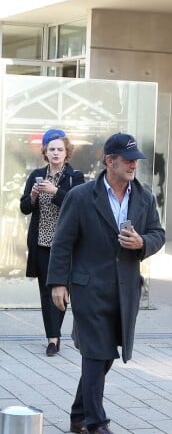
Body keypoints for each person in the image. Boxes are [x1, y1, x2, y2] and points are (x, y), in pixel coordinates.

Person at [47, 133, 165, 434]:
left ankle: (77, 414)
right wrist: (58, 283)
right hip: (88, 287)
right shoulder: (81, 196)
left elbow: (158, 234)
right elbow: (62, 243)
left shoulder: (145, 197)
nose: (133, 164)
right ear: (109, 161)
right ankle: (96, 422)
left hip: (125, 289)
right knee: (96, 352)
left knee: (105, 355)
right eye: (127, 159)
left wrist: (142, 243)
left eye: (135, 159)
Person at [19, 128, 85, 356]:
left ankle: (55, 333)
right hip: (41, 242)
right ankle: (53, 338)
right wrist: (34, 195)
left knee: (62, 289)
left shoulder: (75, 176)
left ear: (67, 152)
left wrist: (55, 191)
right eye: (51, 149)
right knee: (46, 292)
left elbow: (79, 206)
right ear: (45, 152)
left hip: (66, 244)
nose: (55, 153)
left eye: (60, 149)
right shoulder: (36, 175)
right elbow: (24, 207)